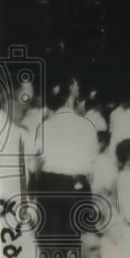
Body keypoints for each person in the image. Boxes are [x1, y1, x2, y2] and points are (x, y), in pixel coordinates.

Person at [30, 77, 99, 248]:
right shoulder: (86, 126)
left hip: (49, 187)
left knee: (50, 245)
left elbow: (37, 161)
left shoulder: (45, 126)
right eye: (76, 87)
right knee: (76, 244)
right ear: (71, 96)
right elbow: (92, 163)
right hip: (77, 187)